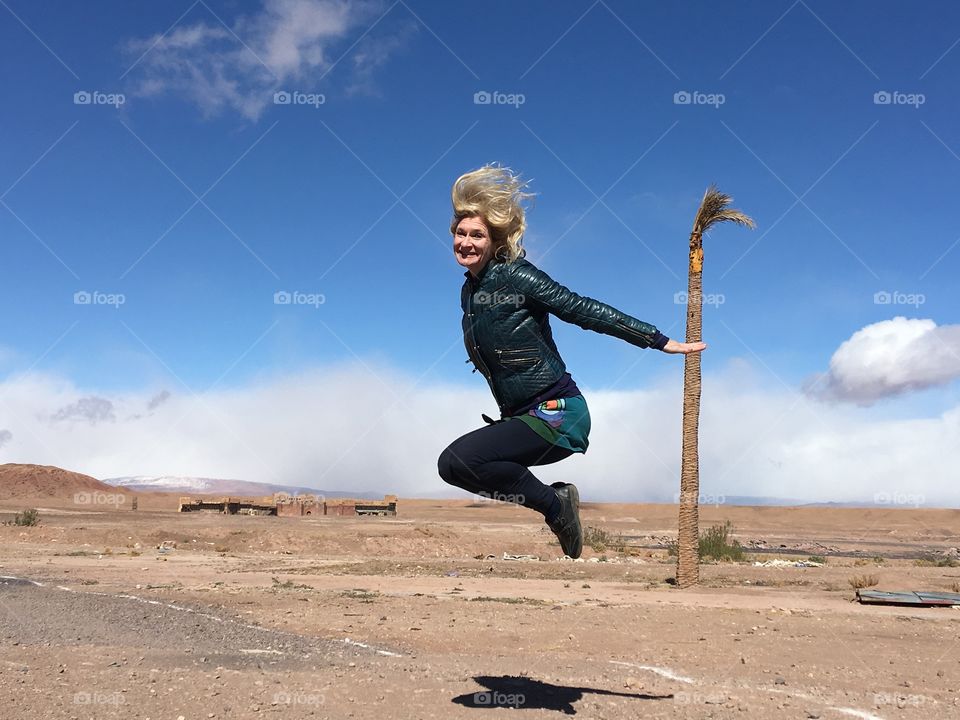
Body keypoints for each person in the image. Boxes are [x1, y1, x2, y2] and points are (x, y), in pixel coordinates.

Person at [436, 165, 705, 558]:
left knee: (459, 459)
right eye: (460, 233)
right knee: (453, 467)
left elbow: (579, 308)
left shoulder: (516, 275)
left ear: (495, 241)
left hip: (558, 412)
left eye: (476, 235)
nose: (466, 242)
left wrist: (655, 339)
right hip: (521, 417)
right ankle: (555, 503)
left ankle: (555, 506)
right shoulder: (470, 292)